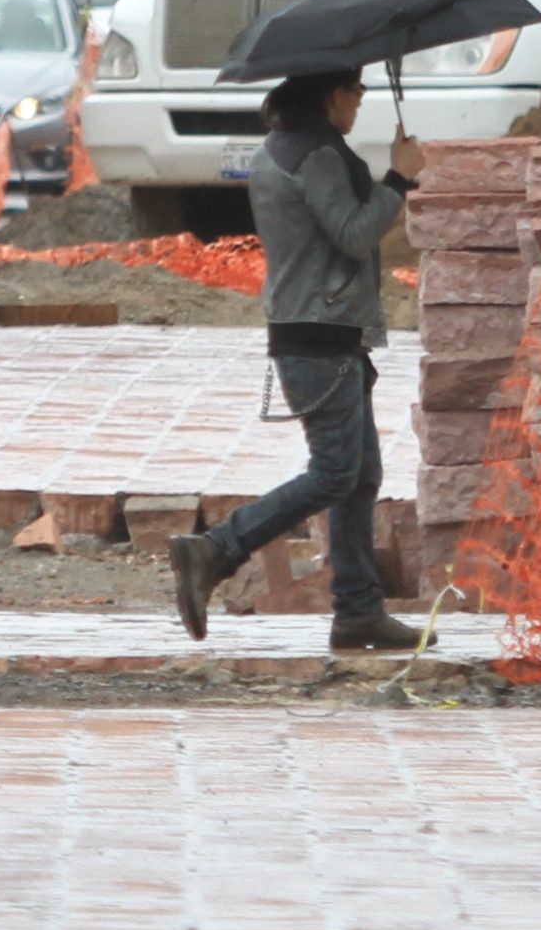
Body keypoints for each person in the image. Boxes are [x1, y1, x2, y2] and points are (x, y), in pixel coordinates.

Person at [170, 68, 425, 650]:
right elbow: (354, 234)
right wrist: (398, 177)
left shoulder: (281, 147)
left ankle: (358, 611)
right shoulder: (316, 156)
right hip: (321, 337)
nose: (361, 103)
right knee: (335, 472)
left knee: (360, 475)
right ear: (333, 95)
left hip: (317, 333)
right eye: (358, 92)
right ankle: (218, 549)